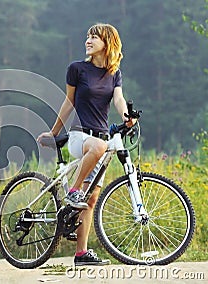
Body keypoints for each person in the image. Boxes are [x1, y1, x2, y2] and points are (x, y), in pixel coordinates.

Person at [37, 23, 136, 266]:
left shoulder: (114, 73)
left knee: (91, 200)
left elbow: (119, 99)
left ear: (107, 43)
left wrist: (126, 116)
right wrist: (53, 132)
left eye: (94, 37)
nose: (88, 40)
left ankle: (81, 254)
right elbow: (68, 102)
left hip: (99, 140)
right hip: (79, 137)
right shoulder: (77, 69)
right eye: (88, 36)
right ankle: (73, 191)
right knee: (96, 154)